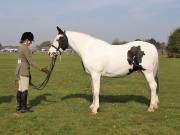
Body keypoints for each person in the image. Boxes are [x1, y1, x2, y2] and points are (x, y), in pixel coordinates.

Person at [15, 32, 49, 113]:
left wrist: (31, 52)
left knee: (20, 89)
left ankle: (19, 106)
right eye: (30, 41)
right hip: (24, 71)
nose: (31, 42)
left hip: (19, 71)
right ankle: (23, 107)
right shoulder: (25, 48)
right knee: (25, 89)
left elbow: (23, 57)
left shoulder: (21, 47)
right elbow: (31, 62)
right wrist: (42, 69)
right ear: (26, 40)